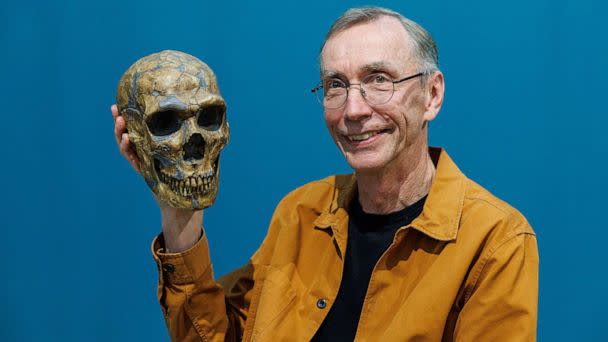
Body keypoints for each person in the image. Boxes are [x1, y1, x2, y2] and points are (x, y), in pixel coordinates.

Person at [112, 6, 538, 341]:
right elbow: (210, 336)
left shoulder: (495, 242)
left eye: (379, 79)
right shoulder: (300, 214)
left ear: (432, 94)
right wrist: (177, 212)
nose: (354, 109)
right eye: (336, 85)